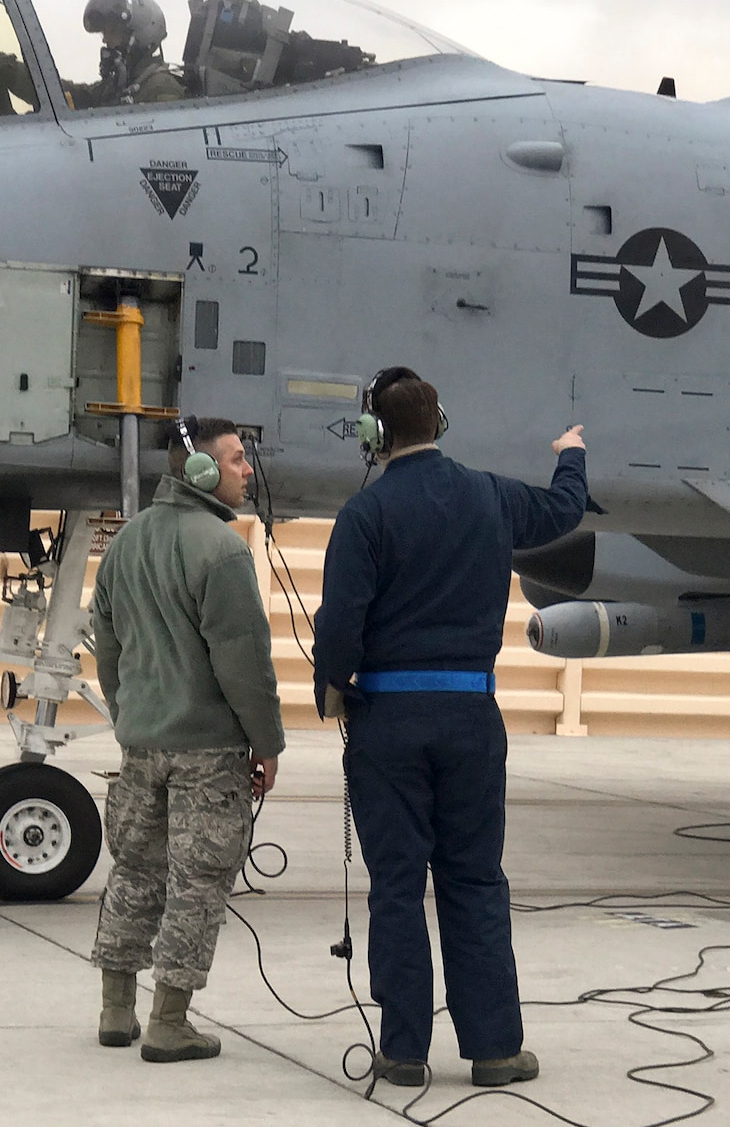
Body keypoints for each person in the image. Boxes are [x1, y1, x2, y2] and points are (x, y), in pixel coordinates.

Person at [313, 368, 588, 1088]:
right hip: (471, 717)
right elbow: (563, 511)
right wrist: (571, 452)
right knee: (474, 878)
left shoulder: (365, 515)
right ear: (442, 423)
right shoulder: (491, 496)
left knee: (397, 885)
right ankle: (495, 1048)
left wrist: (334, 690)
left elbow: (339, 623)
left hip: (388, 722)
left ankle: (404, 1050)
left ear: (376, 434)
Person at [91, 419, 284, 1061]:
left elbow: (110, 648)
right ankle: (169, 1022)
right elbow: (244, 664)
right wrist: (267, 742)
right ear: (200, 471)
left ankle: (115, 1009)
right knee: (196, 884)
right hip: (207, 752)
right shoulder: (222, 551)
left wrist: (131, 717)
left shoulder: (126, 545)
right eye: (235, 460)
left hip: (141, 744)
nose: (246, 470)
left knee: (134, 874)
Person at [69, 0, 185, 108]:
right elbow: (84, 95)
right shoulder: (120, 85)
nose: (105, 40)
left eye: (113, 32)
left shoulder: (161, 88)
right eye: (104, 33)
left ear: (138, 35)